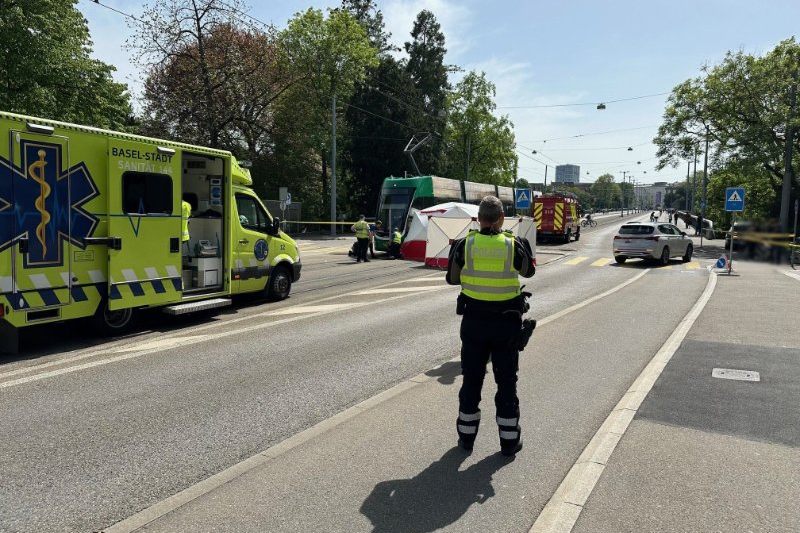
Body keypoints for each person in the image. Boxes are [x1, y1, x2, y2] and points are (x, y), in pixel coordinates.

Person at [446, 195, 535, 457]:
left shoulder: (465, 244)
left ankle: (466, 439)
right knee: (506, 383)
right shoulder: (513, 244)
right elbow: (529, 272)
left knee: (472, 381)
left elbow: (452, 279)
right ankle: (509, 442)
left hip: (473, 323)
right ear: (501, 219)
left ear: (478, 218)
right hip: (506, 325)